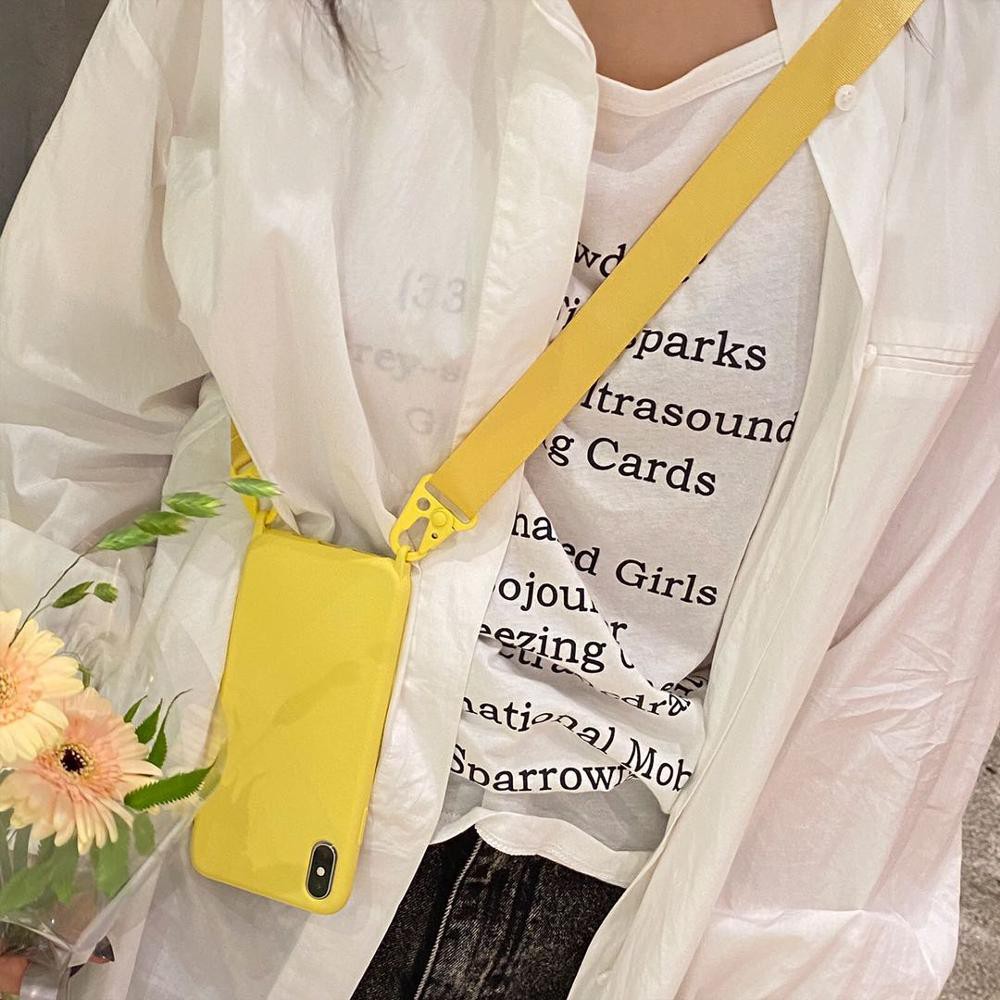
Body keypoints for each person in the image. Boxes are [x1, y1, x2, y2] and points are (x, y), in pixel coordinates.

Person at [1, 1, 997, 998]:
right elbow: (67, 412)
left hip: (639, 923)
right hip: (202, 847)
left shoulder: (965, 75)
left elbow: (900, 676)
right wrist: (22, 839)